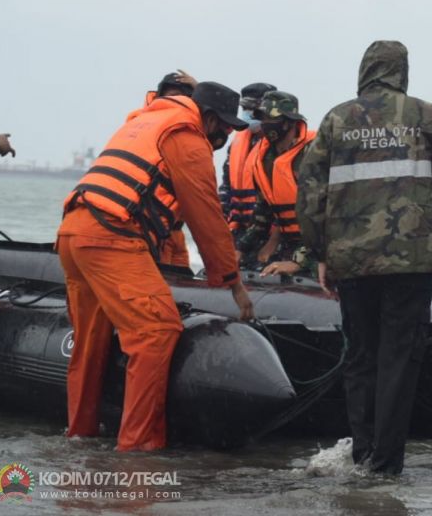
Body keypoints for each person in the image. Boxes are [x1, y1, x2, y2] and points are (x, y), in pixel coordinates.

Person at [297, 40, 432, 474]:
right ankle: (385, 465)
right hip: (411, 260)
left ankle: (363, 455)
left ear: (365, 70)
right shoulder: (425, 116)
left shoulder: (336, 119)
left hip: (351, 261)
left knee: (361, 357)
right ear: (402, 72)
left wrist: (320, 253)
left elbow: (310, 192)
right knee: (399, 360)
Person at [57, 81, 254, 452]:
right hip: (109, 235)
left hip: (73, 232)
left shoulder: (146, 122)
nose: (227, 136)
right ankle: (138, 448)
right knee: (157, 329)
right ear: (208, 117)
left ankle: (81, 433)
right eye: (225, 127)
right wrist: (232, 282)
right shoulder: (187, 137)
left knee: (90, 339)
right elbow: (207, 216)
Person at [236, 91, 316, 276]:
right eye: (262, 118)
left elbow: (327, 218)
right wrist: (239, 249)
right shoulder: (264, 158)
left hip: (319, 248)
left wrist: (298, 262)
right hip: (289, 243)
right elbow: (263, 213)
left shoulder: (313, 154)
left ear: (289, 122)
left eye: (269, 118)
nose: (264, 124)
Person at [138, 69, 200, 268]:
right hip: (154, 228)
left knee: (181, 282)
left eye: (183, 98)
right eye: (172, 97)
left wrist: (200, 90)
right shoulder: (145, 127)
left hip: (176, 232)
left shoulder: (190, 131)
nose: (177, 103)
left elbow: (219, 121)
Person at [219, 82, 277, 244]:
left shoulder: (280, 144)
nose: (248, 113)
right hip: (239, 228)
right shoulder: (236, 144)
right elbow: (226, 186)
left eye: (253, 108)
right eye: (245, 108)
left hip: (269, 230)